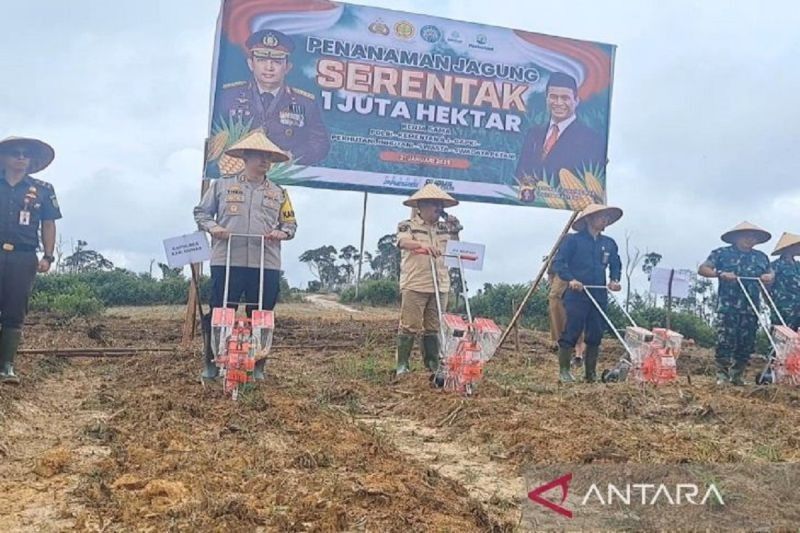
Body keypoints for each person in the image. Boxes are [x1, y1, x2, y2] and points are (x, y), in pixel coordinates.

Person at [194, 129, 296, 380]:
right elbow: (201, 213)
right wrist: (214, 228)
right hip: (227, 259)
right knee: (220, 311)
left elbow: (290, 225)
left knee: (261, 313)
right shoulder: (222, 186)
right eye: (259, 156)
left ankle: (258, 365)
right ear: (245, 158)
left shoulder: (280, 193)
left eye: (268, 157)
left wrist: (281, 234)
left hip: (266, 262)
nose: (264, 161)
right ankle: (211, 362)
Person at [216, 29, 330, 165]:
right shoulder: (228, 96)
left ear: (287, 67)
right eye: (262, 60)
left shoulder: (305, 103)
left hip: (284, 175)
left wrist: (293, 155)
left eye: (276, 61)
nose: (269, 67)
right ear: (251, 64)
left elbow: (320, 143)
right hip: (237, 173)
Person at [0, 137, 61, 384]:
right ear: (4, 157)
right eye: (15, 153)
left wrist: (48, 255)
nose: (21, 157)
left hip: (24, 256)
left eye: (26, 154)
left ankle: (7, 366)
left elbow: (48, 224)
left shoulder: (43, 189)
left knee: (15, 310)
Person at [394, 184, 462, 376]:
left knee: (433, 326)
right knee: (409, 325)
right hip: (416, 283)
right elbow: (403, 242)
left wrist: (456, 231)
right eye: (434, 204)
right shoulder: (407, 225)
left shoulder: (444, 228)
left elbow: (455, 249)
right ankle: (402, 365)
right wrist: (422, 245)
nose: (438, 209)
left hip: (440, 283)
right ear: (421, 206)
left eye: (440, 205)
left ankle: (431, 364)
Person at [552, 203, 622, 383]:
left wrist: (614, 280)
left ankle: (590, 373)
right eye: (601, 216)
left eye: (606, 217)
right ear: (589, 219)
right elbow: (559, 263)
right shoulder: (573, 241)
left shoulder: (609, 243)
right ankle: (564, 371)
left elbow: (615, 263)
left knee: (596, 332)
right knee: (572, 329)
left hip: (599, 293)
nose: (604, 220)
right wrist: (571, 279)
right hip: (577, 293)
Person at [698, 222, 774, 385]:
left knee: (747, 343)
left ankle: (737, 375)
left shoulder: (761, 257)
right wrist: (720, 274)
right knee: (725, 340)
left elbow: (770, 273)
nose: (750, 239)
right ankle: (722, 376)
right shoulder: (721, 253)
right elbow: (703, 269)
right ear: (736, 237)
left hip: (751, 308)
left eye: (753, 236)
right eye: (746, 235)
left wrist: (769, 278)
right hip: (729, 307)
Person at [515, 72, 605, 183]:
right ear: (546, 99)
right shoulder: (533, 134)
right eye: (553, 97)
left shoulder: (592, 140)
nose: (558, 103)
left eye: (565, 98)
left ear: (576, 101)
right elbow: (519, 176)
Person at [769, 232, 800, 330]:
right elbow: (766, 286)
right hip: (783, 306)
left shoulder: (798, 265)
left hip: (798, 306)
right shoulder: (775, 265)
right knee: (784, 334)